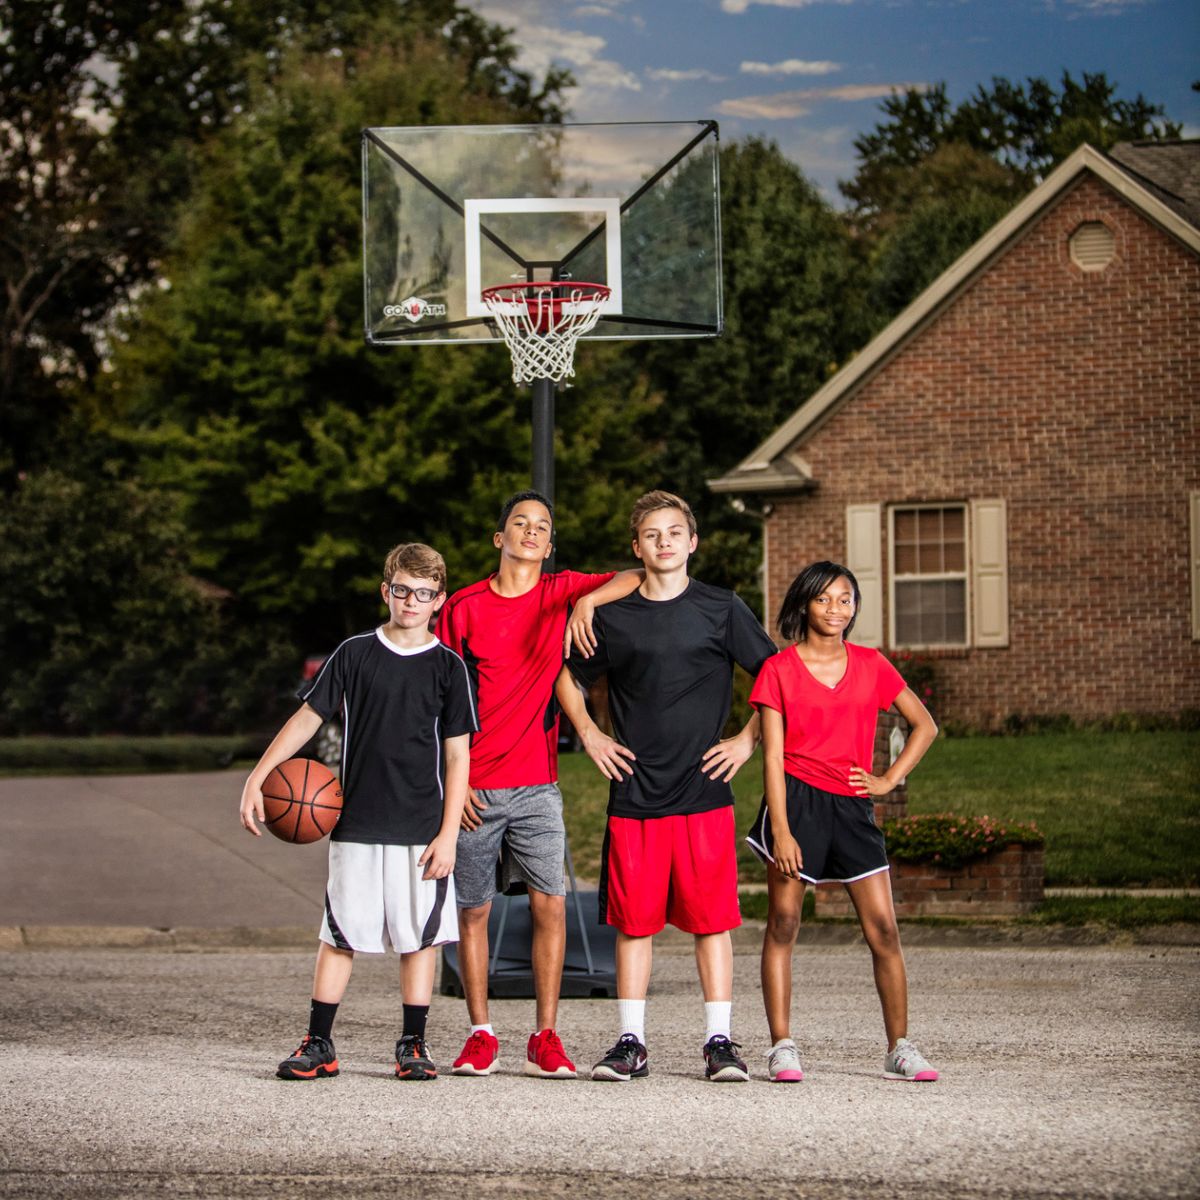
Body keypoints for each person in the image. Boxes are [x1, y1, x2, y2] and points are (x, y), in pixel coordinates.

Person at [557, 490, 777, 1083]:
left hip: (703, 789)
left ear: (692, 541)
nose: (664, 542)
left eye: (674, 532)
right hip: (635, 790)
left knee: (712, 923)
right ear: (637, 547)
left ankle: (720, 1042)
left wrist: (746, 740)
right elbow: (566, 677)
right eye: (652, 534)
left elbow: (776, 676)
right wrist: (589, 734)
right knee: (635, 924)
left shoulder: (722, 608)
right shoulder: (611, 616)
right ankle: (631, 1042)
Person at [239, 543, 476, 1082]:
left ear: (438, 600)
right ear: (385, 590)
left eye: (423, 594)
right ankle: (319, 1042)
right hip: (357, 823)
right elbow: (307, 719)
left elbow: (459, 755)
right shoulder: (353, 653)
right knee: (340, 933)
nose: (410, 602)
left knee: (419, 939)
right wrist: (259, 774)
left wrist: (449, 835)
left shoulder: (449, 668)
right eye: (401, 591)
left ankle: (413, 1044)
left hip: (422, 826)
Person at [435, 490, 643, 1079]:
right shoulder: (464, 607)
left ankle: (545, 1035)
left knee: (552, 905)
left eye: (542, 527)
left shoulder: (560, 592)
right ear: (499, 538)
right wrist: (454, 782)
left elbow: (634, 575)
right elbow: (440, 697)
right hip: (474, 785)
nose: (531, 531)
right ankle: (480, 1033)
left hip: (536, 786)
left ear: (550, 547)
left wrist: (586, 604)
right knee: (472, 913)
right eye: (520, 523)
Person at [744, 561, 940, 1084]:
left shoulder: (873, 664)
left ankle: (899, 1046)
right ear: (805, 605)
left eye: (846, 599)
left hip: (853, 806)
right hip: (797, 802)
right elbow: (771, 758)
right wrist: (780, 830)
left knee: (884, 930)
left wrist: (888, 778)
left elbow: (924, 725)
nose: (836, 609)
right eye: (825, 599)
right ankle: (782, 1045)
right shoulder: (779, 670)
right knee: (784, 924)